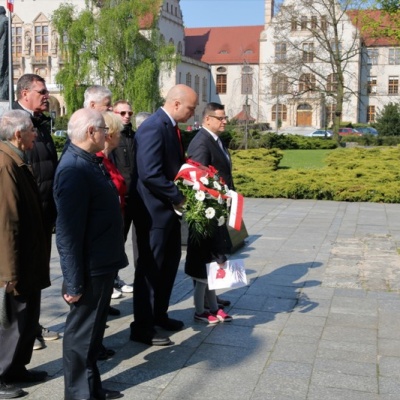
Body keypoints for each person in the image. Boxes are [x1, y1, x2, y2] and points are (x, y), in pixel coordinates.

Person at [54, 108, 128, 400]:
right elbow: (68, 234)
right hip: (90, 266)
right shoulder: (74, 168)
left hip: (103, 261)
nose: (106, 135)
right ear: (90, 132)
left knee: (92, 335)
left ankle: (91, 388)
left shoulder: (89, 161)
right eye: (102, 130)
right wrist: (72, 282)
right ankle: (78, 394)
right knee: (80, 336)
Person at [130, 84, 197, 346]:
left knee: (168, 266)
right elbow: (150, 173)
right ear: (177, 104)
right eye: (191, 108)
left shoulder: (170, 126)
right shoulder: (153, 127)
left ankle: (159, 315)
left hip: (166, 212)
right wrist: (178, 196)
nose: (193, 113)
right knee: (150, 269)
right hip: (153, 213)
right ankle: (142, 327)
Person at [0, 110, 50, 399]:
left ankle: (17, 367)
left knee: (27, 317)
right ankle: (2, 374)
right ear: (19, 134)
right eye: (32, 130)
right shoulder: (6, 164)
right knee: (12, 320)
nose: (36, 134)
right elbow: (7, 222)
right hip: (14, 263)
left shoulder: (16, 160)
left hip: (29, 257)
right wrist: (9, 273)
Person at [12, 73, 59, 350]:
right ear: (25, 92)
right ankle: (19, 337)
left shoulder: (40, 123)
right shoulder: (14, 122)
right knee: (22, 279)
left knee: (38, 275)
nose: (46, 95)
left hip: (44, 211)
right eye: (41, 91)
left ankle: (32, 328)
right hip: (27, 212)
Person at [185, 102, 234, 323]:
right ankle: (203, 305)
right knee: (206, 257)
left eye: (225, 118)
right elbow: (198, 180)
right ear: (207, 119)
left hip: (219, 207)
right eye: (220, 118)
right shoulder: (201, 143)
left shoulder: (215, 139)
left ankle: (211, 301)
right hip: (209, 211)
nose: (224, 121)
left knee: (216, 256)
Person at [110, 100, 137, 295]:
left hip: (134, 196)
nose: (127, 116)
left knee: (127, 239)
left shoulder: (134, 136)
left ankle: (116, 278)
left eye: (129, 113)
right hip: (118, 197)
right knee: (116, 239)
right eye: (123, 113)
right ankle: (111, 279)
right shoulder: (111, 138)